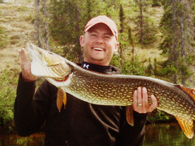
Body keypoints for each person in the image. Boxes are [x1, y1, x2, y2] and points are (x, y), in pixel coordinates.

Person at [14, 15, 158, 146]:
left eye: (107, 37)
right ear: (82, 41)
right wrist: (26, 82)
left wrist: (139, 116)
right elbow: (24, 128)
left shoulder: (128, 89)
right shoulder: (53, 83)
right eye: (93, 35)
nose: (99, 41)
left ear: (116, 47)